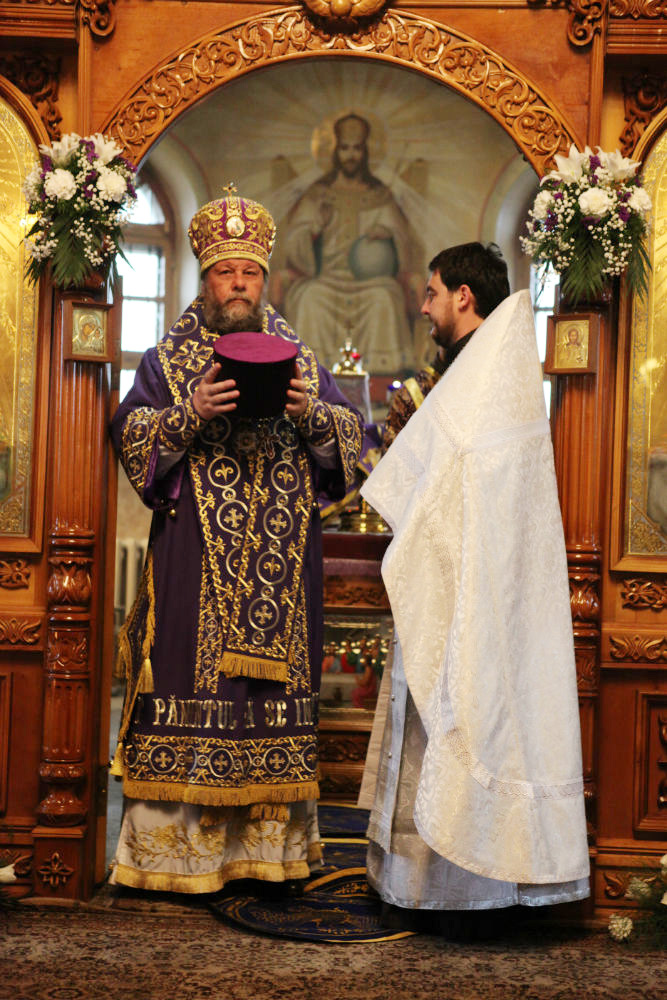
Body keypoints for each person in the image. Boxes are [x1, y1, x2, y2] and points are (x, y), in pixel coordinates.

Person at [109, 188, 364, 895]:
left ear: (264, 279)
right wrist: (188, 413)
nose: (240, 284)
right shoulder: (166, 361)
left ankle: (266, 855)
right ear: (207, 280)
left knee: (264, 704)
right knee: (190, 684)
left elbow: (351, 444)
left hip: (281, 580)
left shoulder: (300, 360)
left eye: (250, 272)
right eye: (226, 272)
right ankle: (178, 860)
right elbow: (130, 435)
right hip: (194, 564)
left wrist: (313, 416)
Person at [358, 242, 590, 934]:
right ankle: (431, 887)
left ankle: (465, 898)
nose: (423, 306)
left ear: (463, 295)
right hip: (461, 578)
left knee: (475, 715)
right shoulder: (479, 368)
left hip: (472, 589)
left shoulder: (488, 372)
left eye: (431, 293)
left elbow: (458, 483)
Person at [283, 113, 416, 374]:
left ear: (365, 152)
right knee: (309, 298)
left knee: (385, 299)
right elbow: (294, 243)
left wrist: (388, 237)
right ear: (335, 151)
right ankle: (312, 377)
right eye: (345, 148)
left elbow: (404, 244)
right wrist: (314, 229)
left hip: (370, 283)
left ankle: (380, 380)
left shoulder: (380, 194)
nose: (351, 155)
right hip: (326, 280)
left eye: (357, 149)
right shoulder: (318, 194)